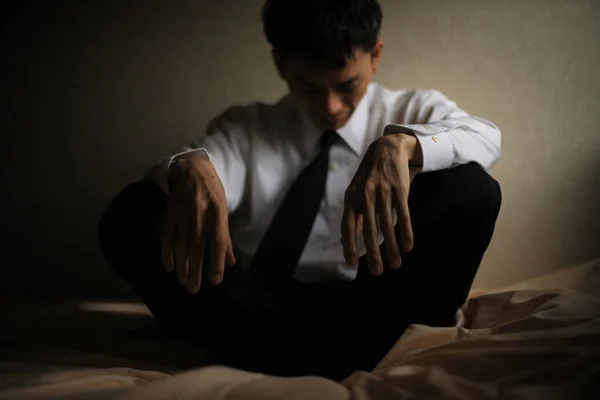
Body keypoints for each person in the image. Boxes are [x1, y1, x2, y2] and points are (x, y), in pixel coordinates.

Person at [99, 0, 502, 381]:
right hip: (253, 310)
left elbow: (486, 137)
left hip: (377, 310)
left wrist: (406, 145)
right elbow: (190, 177)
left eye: (347, 85)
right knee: (135, 210)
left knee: (471, 186)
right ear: (280, 64)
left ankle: (301, 355)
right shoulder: (246, 128)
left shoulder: (414, 110)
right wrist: (186, 166)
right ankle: (295, 353)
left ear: (375, 55)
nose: (330, 106)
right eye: (310, 88)